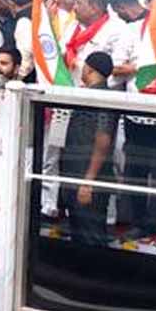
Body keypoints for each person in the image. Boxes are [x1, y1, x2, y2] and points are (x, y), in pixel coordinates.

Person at [59, 51, 118, 247]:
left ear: (90, 69)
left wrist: (88, 182)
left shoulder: (103, 98)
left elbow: (103, 140)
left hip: (89, 178)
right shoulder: (88, 94)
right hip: (75, 174)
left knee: (91, 235)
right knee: (78, 233)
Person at [64, 0, 130, 87]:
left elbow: (117, 68)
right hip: (69, 87)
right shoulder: (73, 27)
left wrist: (94, 85)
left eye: (79, 3)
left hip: (98, 92)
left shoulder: (118, 30)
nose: (74, 8)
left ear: (94, 9)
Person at [7, 0, 36, 80]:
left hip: (31, 79)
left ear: (10, 3)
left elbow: (25, 59)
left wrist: (17, 79)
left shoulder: (24, 21)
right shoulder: (41, 14)